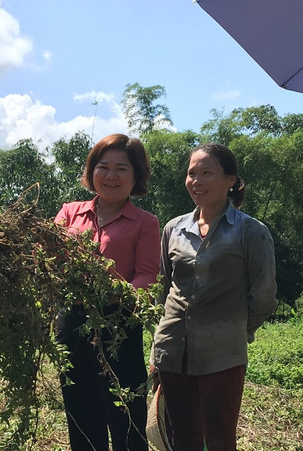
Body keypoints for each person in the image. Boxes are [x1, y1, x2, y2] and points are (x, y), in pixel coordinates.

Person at [151, 143, 277, 450]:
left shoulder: (250, 232)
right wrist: (158, 344)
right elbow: (163, 287)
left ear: (231, 179)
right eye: (192, 173)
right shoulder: (174, 229)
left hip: (223, 351)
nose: (196, 181)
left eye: (207, 173)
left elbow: (264, 294)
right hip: (172, 348)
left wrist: (237, 329)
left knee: (220, 439)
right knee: (182, 435)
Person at [54, 134, 160, 451]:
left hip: (119, 327)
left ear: (136, 176)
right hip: (72, 323)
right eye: (104, 167)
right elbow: (48, 259)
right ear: (92, 171)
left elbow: (146, 276)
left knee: (125, 414)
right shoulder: (70, 213)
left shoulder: (145, 222)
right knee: (81, 413)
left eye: (122, 169)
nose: (111, 176)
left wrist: (111, 291)